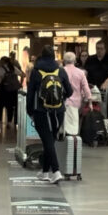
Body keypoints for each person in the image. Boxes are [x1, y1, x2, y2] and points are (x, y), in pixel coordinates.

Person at [27, 46, 73, 184]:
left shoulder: (36, 71)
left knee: (47, 141)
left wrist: (30, 111)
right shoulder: (60, 70)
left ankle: (56, 171)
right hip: (58, 112)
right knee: (50, 141)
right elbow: (70, 91)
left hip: (41, 112)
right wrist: (60, 99)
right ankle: (45, 172)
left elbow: (30, 93)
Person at [84, 41, 108, 122]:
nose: (99, 50)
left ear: (105, 49)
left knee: (107, 108)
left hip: (107, 89)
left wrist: (107, 81)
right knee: (92, 107)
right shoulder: (90, 59)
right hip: (93, 88)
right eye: (97, 48)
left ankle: (106, 123)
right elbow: (85, 71)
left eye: (101, 49)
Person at [0, 56, 24, 129]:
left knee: (0, 106)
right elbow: (22, 75)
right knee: (10, 106)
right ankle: (9, 122)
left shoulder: (1, 69)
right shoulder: (13, 68)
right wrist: (20, 83)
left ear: (3, 62)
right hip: (13, 91)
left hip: (4, 91)